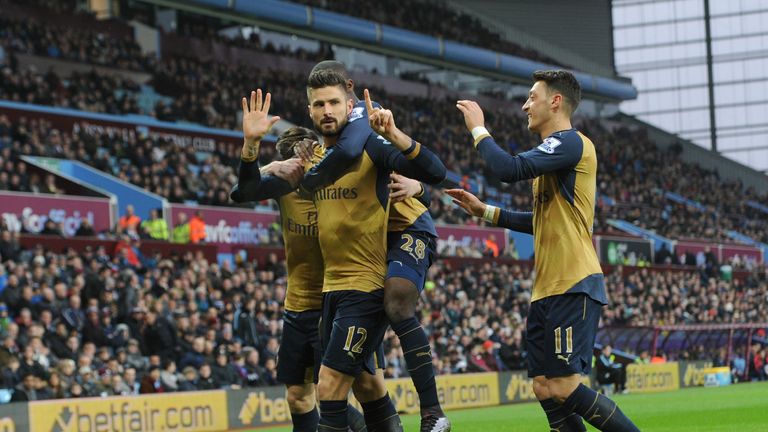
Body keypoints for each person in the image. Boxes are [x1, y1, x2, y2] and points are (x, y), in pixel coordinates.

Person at [449, 70, 639, 431]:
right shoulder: (552, 161)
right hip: (546, 289)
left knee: (565, 386)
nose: (524, 105)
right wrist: (483, 211)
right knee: (544, 387)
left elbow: (508, 169)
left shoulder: (571, 143)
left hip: (573, 282)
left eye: (532, 97)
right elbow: (540, 220)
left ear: (556, 101)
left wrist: (478, 128)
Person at [300, 60, 449, 432]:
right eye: (319, 104)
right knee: (365, 382)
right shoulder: (331, 141)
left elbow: (421, 168)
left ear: (350, 94)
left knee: (397, 301)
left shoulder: (367, 125)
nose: (328, 110)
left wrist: (422, 190)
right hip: (369, 248)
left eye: (335, 101)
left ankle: (432, 412)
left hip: (409, 227)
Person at [230, 95, 366, 432]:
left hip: (334, 304)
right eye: (291, 162)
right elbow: (240, 192)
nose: (299, 167)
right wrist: (256, 153)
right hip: (297, 307)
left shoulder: (336, 183)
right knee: (296, 396)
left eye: (305, 158)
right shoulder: (283, 186)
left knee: (331, 394)